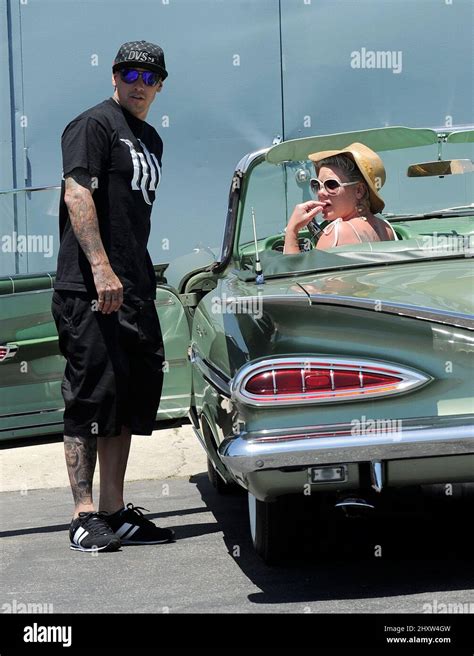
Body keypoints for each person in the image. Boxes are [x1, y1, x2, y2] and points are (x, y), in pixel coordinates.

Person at [51, 40, 175, 552]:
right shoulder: (93, 125)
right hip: (89, 286)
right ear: (114, 78)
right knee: (89, 397)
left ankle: (114, 510)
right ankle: (83, 517)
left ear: (161, 85)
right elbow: (77, 192)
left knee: (125, 402)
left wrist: (131, 278)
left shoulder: (149, 138)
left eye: (150, 78)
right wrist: (101, 268)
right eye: (130, 75)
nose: (139, 85)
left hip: (132, 288)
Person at [283, 142, 397, 253]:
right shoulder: (387, 228)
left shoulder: (336, 234)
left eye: (331, 184)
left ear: (359, 190)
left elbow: (291, 271)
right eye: (316, 185)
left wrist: (292, 230)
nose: (320, 193)